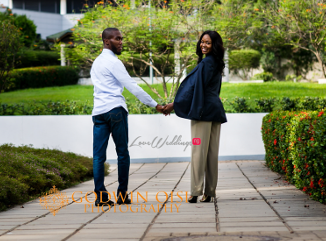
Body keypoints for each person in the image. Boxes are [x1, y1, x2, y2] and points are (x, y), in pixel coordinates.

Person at [91, 27, 165, 206]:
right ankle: (122, 195)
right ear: (107, 41)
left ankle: (100, 196)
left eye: (121, 38)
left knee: (98, 156)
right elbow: (132, 86)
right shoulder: (114, 62)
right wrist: (155, 105)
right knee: (122, 153)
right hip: (115, 110)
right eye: (117, 39)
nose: (121, 42)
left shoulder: (96, 62)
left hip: (99, 112)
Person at [162, 30, 227, 203]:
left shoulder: (206, 64)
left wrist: (173, 105)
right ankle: (210, 192)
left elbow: (193, 89)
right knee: (212, 153)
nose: (203, 45)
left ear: (214, 46)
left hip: (202, 113)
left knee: (198, 151)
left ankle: (196, 191)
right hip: (215, 112)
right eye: (202, 42)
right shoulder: (217, 63)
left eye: (208, 43)